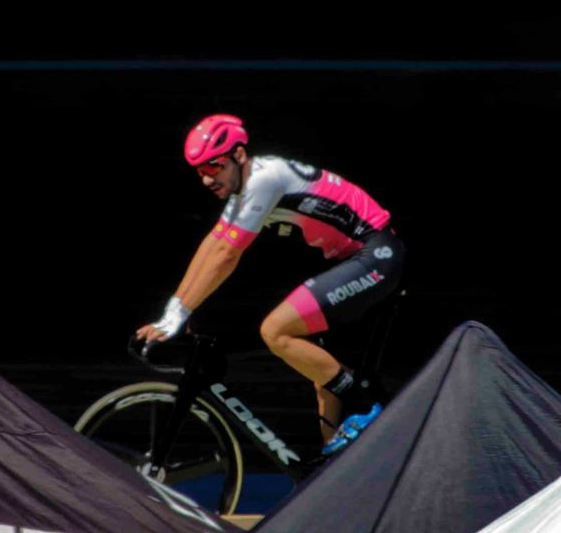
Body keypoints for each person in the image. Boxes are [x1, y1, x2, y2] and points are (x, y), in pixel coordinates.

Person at [135, 114, 406, 457]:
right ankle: (334, 468)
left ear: (239, 155)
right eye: (200, 170)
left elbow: (226, 255)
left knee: (276, 331)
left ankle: (365, 405)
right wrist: (172, 312)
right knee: (324, 377)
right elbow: (212, 245)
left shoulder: (264, 179)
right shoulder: (245, 188)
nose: (206, 179)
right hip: (359, 258)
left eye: (214, 166)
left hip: (376, 255)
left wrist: (178, 318)